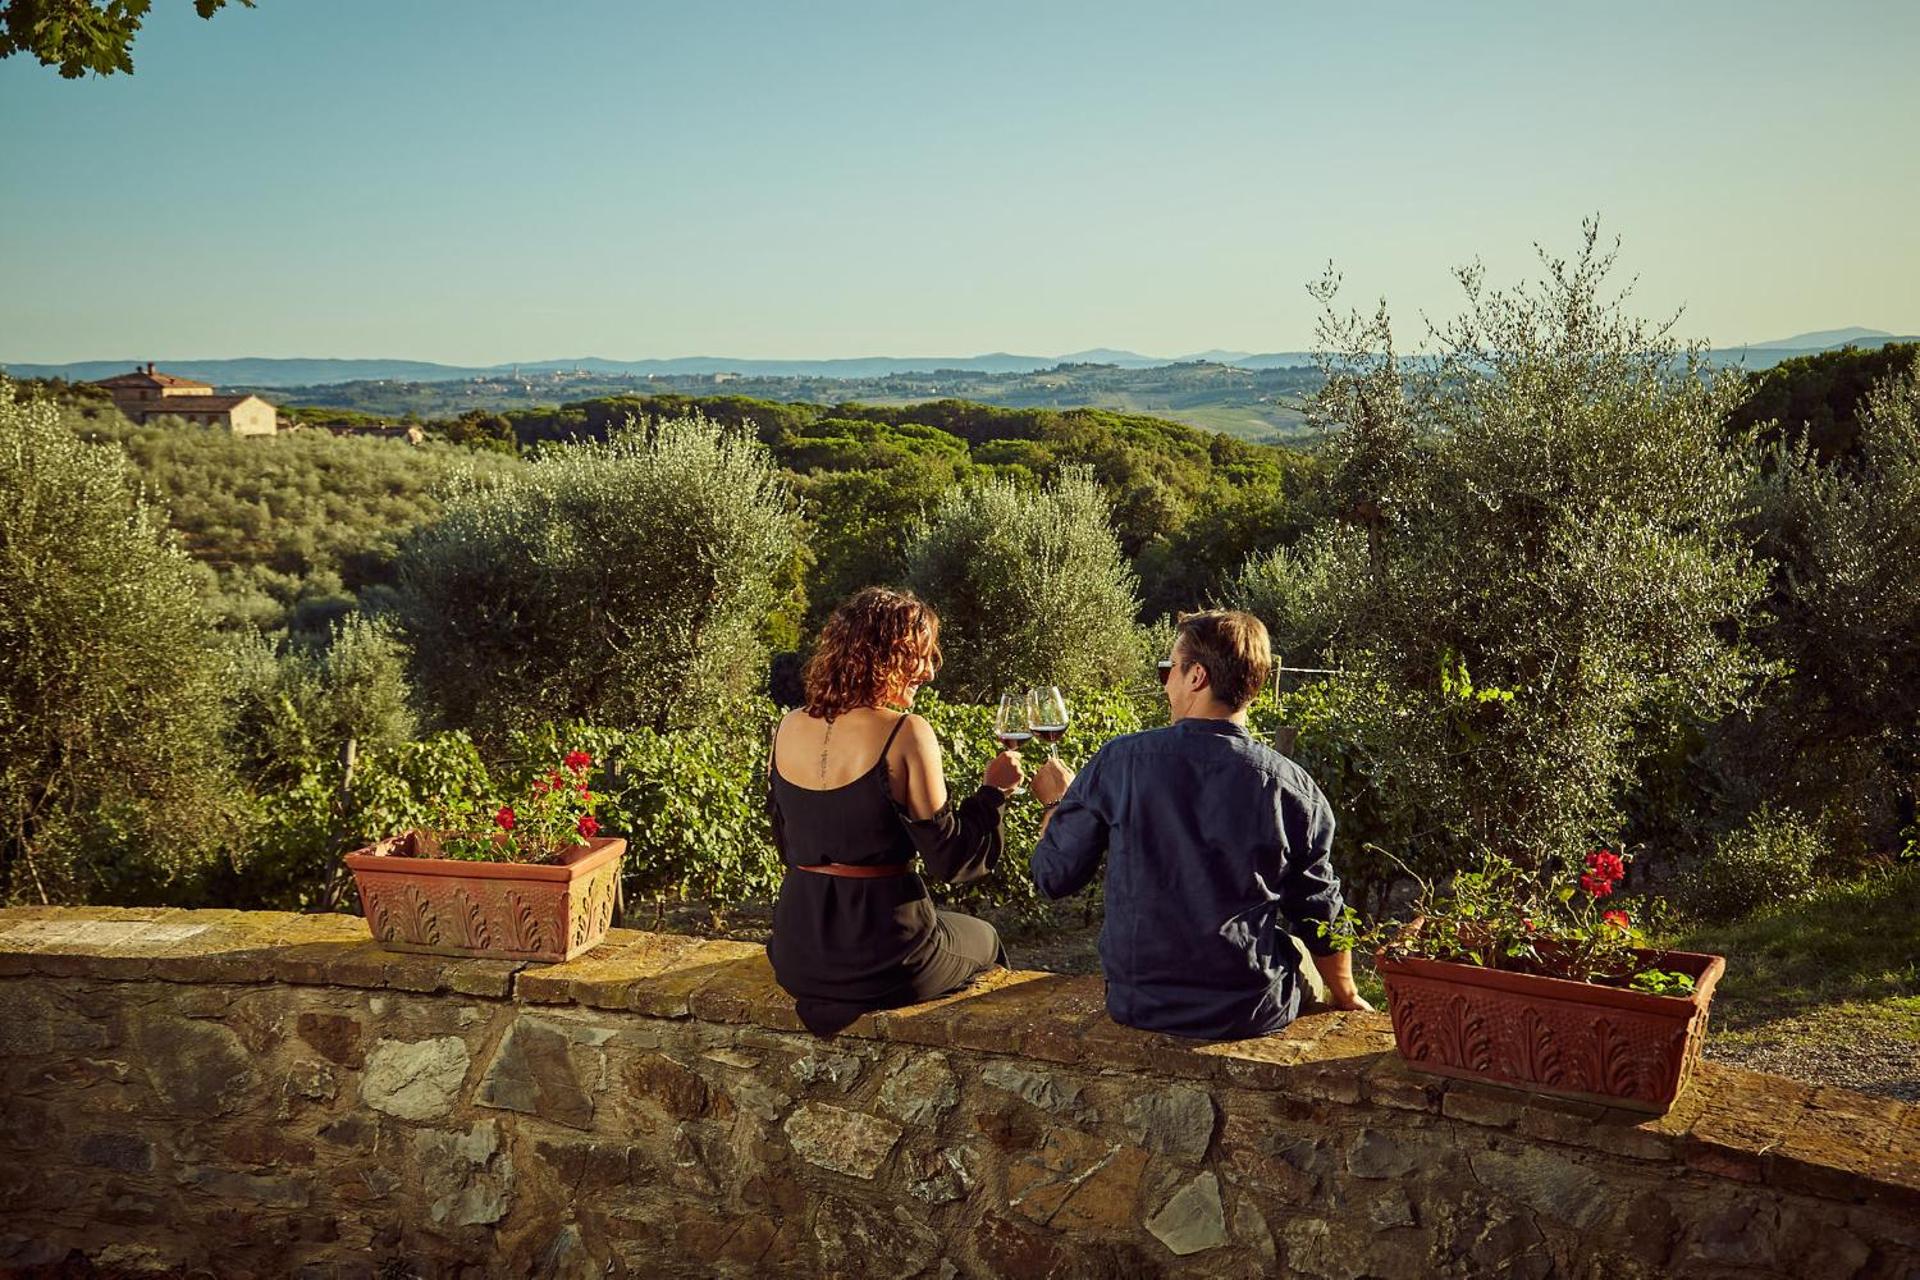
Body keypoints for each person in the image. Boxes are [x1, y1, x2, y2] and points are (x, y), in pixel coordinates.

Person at [1028, 609, 1372, 1040]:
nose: (1165, 681)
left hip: (1140, 1004)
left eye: (1169, 668)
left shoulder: (1119, 762)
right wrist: (1347, 994)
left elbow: (1052, 876)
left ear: (1197, 677)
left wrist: (1057, 802)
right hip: (1249, 1008)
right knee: (1299, 951)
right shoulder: (1291, 786)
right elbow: (1319, 906)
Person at [766, 587, 1024, 1036]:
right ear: (878, 655)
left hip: (797, 950)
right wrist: (993, 793)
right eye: (917, 656)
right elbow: (953, 860)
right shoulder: (906, 732)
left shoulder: (788, 725)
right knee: (984, 938)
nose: (928, 671)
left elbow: (787, 842)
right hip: (886, 953)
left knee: (956, 929)